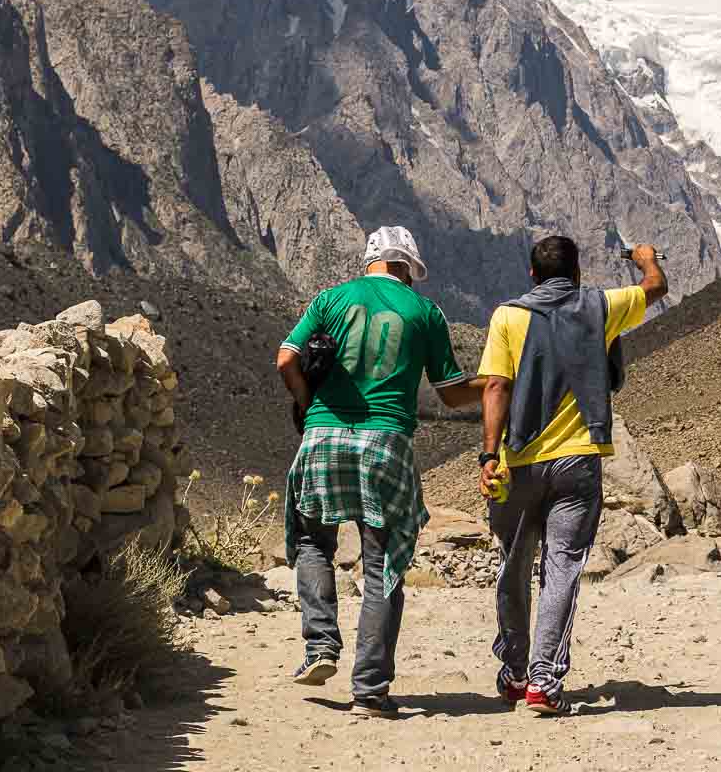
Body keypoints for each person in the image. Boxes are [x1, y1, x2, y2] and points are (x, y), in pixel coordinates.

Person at [276, 225, 480, 717]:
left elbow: (286, 359)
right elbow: (452, 393)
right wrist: (498, 389)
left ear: (369, 259)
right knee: (380, 567)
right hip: (385, 443)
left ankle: (321, 646)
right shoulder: (425, 312)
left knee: (310, 543)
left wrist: (309, 405)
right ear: (408, 266)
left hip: (322, 438)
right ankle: (369, 692)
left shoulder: (330, 299)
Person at [477, 236, 667, 715]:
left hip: (520, 461)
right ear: (577, 273)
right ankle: (544, 681)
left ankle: (516, 671)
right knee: (562, 569)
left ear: (532, 275)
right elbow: (655, 287)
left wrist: (488, 456)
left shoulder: (507, 316)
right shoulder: (601, 306)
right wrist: (645, 260)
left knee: (513, 567)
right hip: (579, 461)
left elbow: (496, 385)